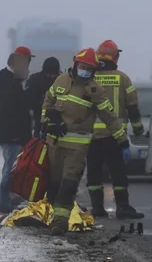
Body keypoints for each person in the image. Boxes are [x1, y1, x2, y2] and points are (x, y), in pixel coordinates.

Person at [41, 47, 128, 235]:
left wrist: (122, 140)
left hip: (77, 147)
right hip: (54, 143)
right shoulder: (61, 80)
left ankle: (60, 224)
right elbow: (48, 102)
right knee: (53, 184)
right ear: (75, 64)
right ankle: (51, 217)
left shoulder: (95, 90)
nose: (85, 71)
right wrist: (48, 122)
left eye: (89, 69)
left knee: (68, 184)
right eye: (83, 67)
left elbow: (109, 116)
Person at [86, 39, 145, 220]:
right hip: (115, 136)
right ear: (115, 57)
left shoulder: (90, 78)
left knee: (94, 173)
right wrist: (138, 130)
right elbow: (132, 107)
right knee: (118, 173)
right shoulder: (123, 78)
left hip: (92, 138)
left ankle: (97, 208)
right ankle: (123, 207)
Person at [0, 46, 33, 213]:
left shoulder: (8, 80)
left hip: (11, 133)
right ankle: (4, 205)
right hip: (11, 134)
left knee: (11, 167)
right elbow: (9, 110)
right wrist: (16, 135)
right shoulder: (9, 83)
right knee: (11, 170)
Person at [25, 56, 61, 138]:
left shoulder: (62, 80)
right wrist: (44, 100)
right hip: (39, 121)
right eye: (49, 75)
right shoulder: (35, 80)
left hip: (59, 122)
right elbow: (28, 101)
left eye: (54, 75)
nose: (52, 77)